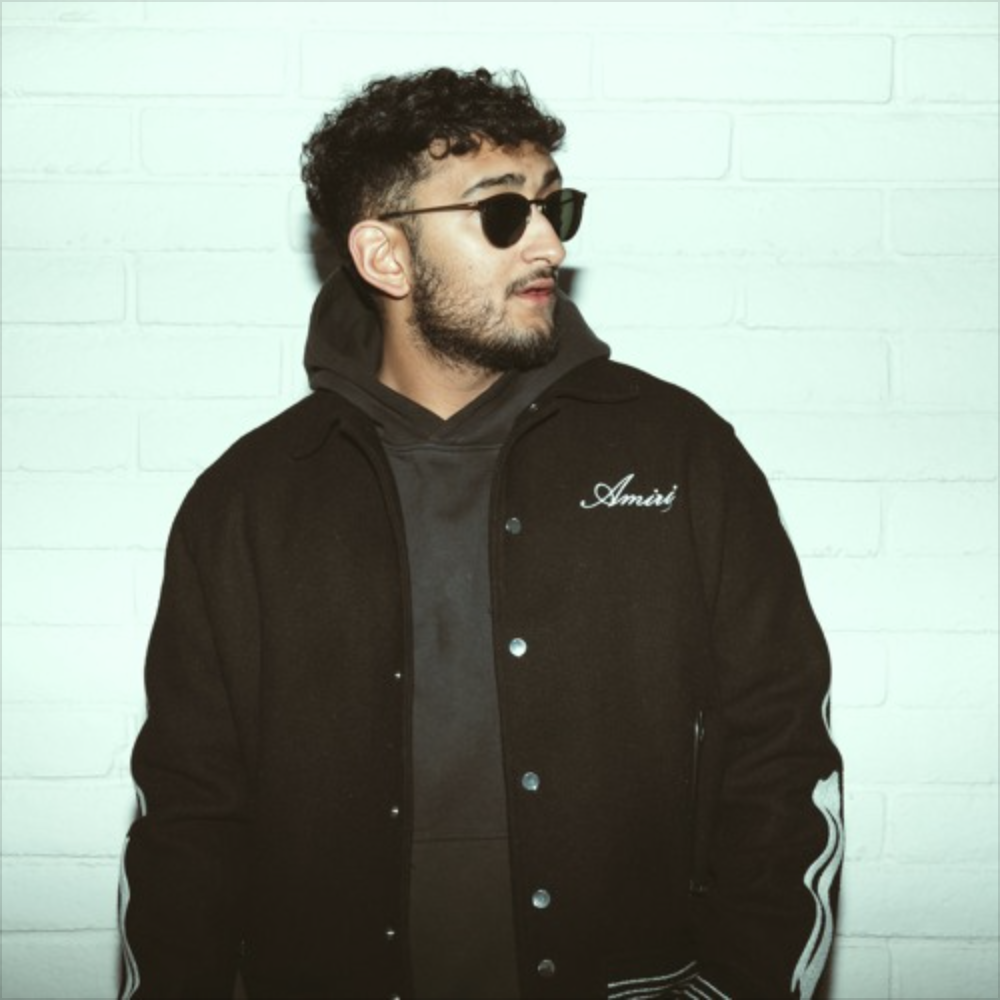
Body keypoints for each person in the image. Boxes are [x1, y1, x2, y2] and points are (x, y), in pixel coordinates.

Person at [118, 67, 844, 1000]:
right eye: (503, 214)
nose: (548, 242)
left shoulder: (679, 453)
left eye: (554, 206)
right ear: (384, 256)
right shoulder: (251, 501)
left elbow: (782, 756)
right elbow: (187, 821)